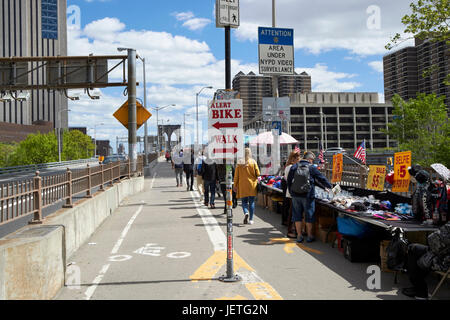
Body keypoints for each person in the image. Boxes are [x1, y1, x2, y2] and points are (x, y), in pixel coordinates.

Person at [287, 151, 332, 243]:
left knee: (297, 216)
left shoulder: (294, 167)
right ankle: (309, 236)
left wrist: (292, 192)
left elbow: (289, 181)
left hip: (295, 195)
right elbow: (321, 178)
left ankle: (299, 236)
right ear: (310, 159)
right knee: (309, 215)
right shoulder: (312, 168)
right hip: (308, 195)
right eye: (312, 160)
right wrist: (330, 186)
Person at [402, 222, 450, 300]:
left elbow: (432, 239)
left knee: (413, 249)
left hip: (443, 262)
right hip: (444, 258)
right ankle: (419, 289)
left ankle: (420, 291)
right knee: (418, 251)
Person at [234, 148, 260, 225]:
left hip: (242, 185)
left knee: (244, 202)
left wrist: (235, 185)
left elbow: (236, 176)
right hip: (252, 185)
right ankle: (251, 219)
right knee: (251, 202)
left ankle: (246, 212)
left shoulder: (239, 163)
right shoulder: (253, 162)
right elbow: (258, 173)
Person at [283, 151, 301, 238]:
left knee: (292, 211)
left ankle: (292, 229)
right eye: (297, 159)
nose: (299, 160)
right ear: (294, 159)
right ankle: (290, 230)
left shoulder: (287, 167)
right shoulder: (291, 167)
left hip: (290, 191)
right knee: (292, 212)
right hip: (293, 192)